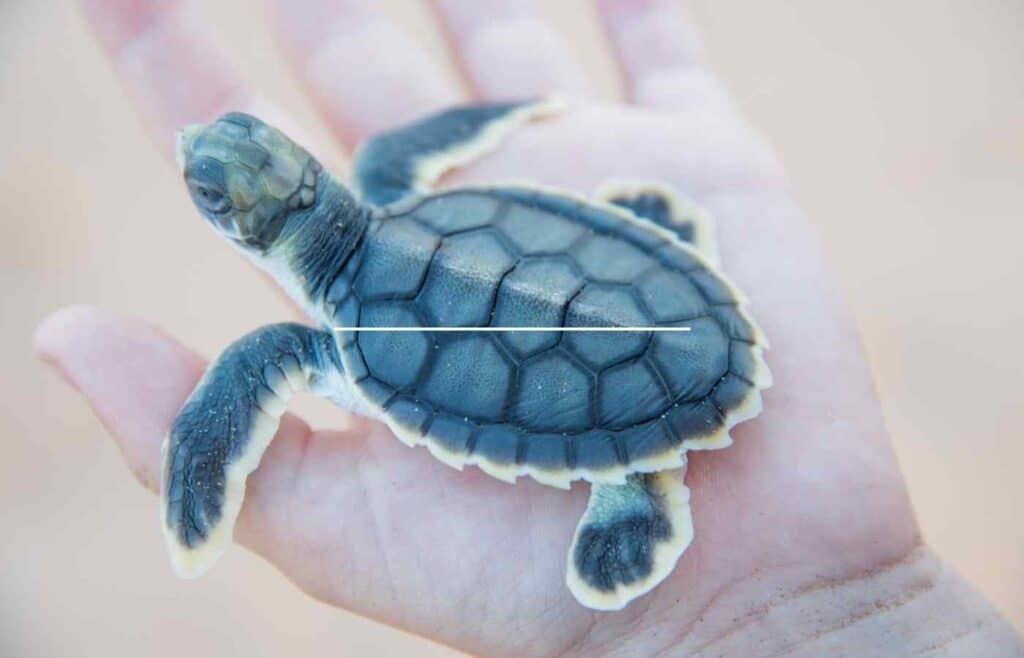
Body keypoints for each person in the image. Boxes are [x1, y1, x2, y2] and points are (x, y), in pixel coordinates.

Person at [35, 1, 1023, 655]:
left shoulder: (322, 340)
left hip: (616, 362)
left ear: (241, 221)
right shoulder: (392, 190)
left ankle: (631, 481)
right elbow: (431, 146)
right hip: (659, 293)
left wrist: (203, 454)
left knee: (258, 356)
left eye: (204, 180)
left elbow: (255, 369)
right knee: (526, 282)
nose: (187, 156)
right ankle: (651, 321)